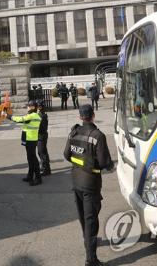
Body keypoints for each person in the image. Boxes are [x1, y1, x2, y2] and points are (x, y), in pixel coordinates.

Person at [64, 105, 114, 266]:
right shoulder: (98, 135)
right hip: (91, 184)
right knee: (91, 219)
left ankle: (88, 240)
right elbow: (105, 162)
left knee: (83, 216)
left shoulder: (73, 132)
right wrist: (110, 166)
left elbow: (66, 155)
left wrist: (81, 162)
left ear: (80, 117)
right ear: (93, 115)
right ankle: (91, 260)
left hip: (76, 181)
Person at [7, 101, 42, 186]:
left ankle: (38, 178)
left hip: (30, 139)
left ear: (33, 107)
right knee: (30, 159)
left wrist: (8, 116)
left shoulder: (32, 116)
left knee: (33, 159)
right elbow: (25, 121)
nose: (27, 107)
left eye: (29, 106)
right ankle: (30, 176)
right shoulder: (34, 115)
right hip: (30, 139)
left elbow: (20, 119)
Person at [37, 101, 51, 176]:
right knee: (43, 151)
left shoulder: (41, 115)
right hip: (43, 135)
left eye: (39, 106)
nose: (37, 107)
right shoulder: (42, 114)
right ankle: (44, 166)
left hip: (41, 136)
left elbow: (41, 128)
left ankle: (46, 169)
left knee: (42, 152)